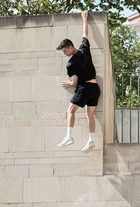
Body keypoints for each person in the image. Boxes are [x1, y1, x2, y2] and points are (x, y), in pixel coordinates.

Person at [56, 11, 101, 153]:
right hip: (95, 88)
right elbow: (85, 33)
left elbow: (75, 82)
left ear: (69, 47)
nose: (64, 54)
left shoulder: (71, 64)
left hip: (85, 87)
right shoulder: (84, 49)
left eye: (65, 51)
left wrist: (68, 83)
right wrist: (84, 18)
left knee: (70, 110)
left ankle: (69, 136)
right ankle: (91, 140)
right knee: (90, 114)